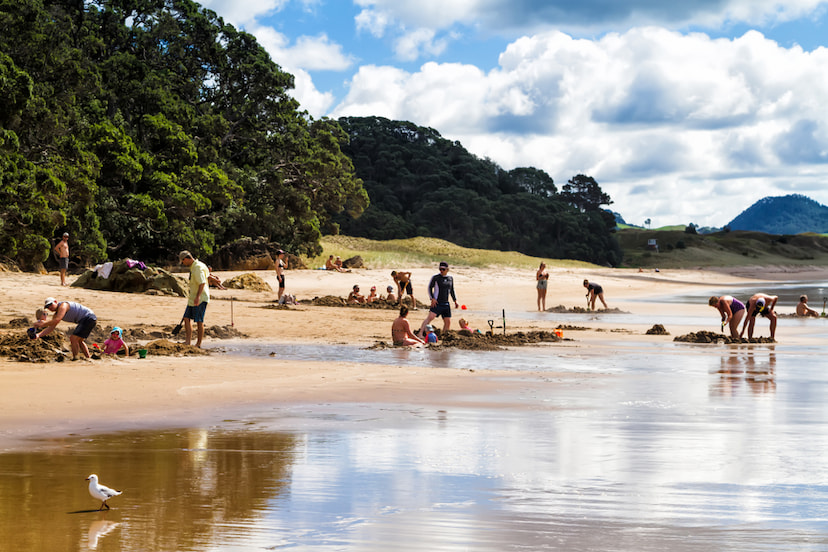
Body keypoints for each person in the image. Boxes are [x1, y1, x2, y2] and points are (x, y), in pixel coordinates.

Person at [418, 262, 459, 335]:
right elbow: (429, 288)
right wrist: (432, 299)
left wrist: (455, 301)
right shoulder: (436, 278)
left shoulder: (450, 278)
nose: (441, 271)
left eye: (443, 269)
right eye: (440, 269)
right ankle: (420, 333)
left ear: (447, 269)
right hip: (437, 302)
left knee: (447, 321)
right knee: (430, 317)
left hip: (446, 303)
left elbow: (452, 290)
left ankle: (444, 335)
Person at [179, 250, 210, 348]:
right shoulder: (195, 266)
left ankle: (198, 344)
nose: (183, 263)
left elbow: (202, 282)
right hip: (192, 298)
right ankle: (188, 341)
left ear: (187, 259)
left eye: (183, 261)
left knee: (199, 320)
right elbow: (208, 276)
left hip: (200, 298)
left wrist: (198, 297)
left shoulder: (198, 267)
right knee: (186, 318)